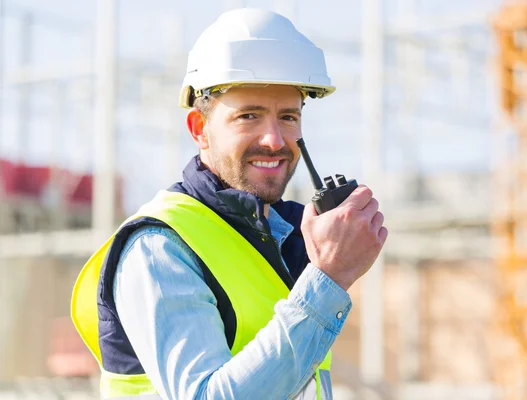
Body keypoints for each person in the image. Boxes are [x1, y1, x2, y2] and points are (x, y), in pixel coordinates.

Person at [71, 8, 387, 400]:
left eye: (288, 116)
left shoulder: (291, 237)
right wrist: (328, 280)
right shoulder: (159, 247)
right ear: (200, 130)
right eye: (249, 116)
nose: (273, 139)